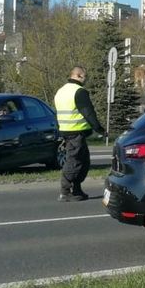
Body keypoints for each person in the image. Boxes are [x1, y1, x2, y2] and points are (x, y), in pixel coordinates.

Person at [53, 66, 106, 202]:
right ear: (79, 76)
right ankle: (66, 191)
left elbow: (58, 113)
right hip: (76, 131)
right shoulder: (79, 91)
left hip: (66, 130)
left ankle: (76, 189)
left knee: (83, 161)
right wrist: (99, 129)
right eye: (84, 76)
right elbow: (88, 112)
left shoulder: (61, 91)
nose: (85, 79)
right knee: (74, 161)